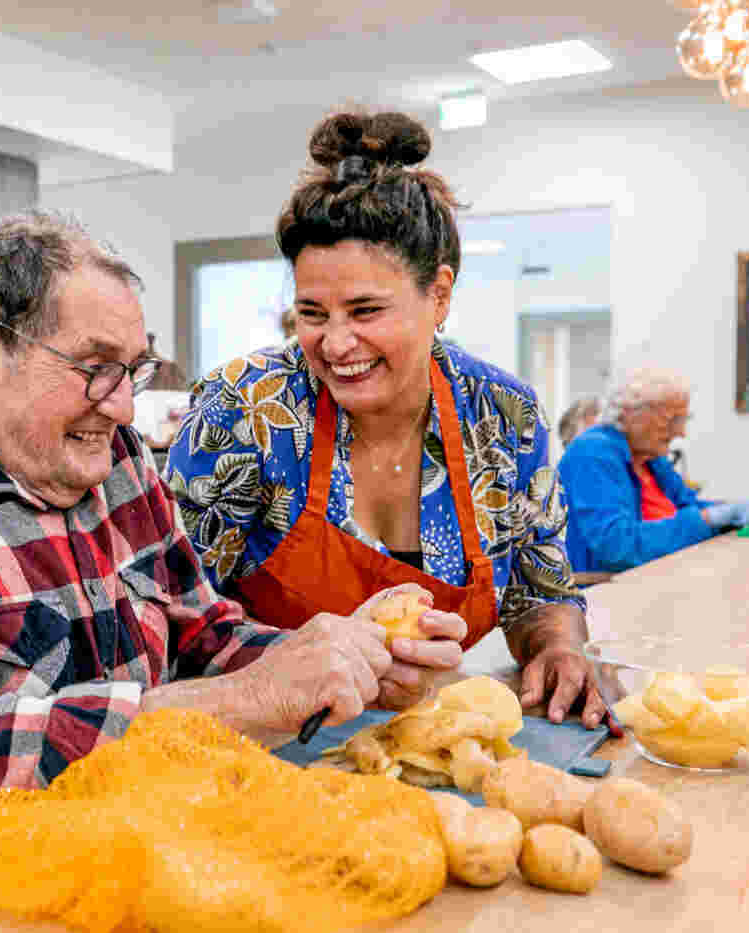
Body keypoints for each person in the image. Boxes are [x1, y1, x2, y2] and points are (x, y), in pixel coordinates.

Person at [0, 212, 465, 881]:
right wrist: (241, 700)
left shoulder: (117, 459)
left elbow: (206, 637)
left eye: (134, 370)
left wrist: (340, 656)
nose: (126, 407)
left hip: (99, 851)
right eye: (96, 368)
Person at [165, 110, 608, 737]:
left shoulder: (504, 417)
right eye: (313, 312)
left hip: (426, 745)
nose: (337, 344)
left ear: (440, 294)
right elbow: (168, 616)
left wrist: (559, 647)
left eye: (366, 310)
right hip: (264, 749)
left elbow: (538, 592)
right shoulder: (245, 411)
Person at [557, 367, 749, 573]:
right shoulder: (592, 454)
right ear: (630, 414)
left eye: (683, 420)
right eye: (672, 420)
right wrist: (709, 519)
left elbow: (690, 506)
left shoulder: (649, 457)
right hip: (603, 592)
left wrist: (730, 511)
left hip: (659, 574)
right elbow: (617, 547)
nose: (681, 432)